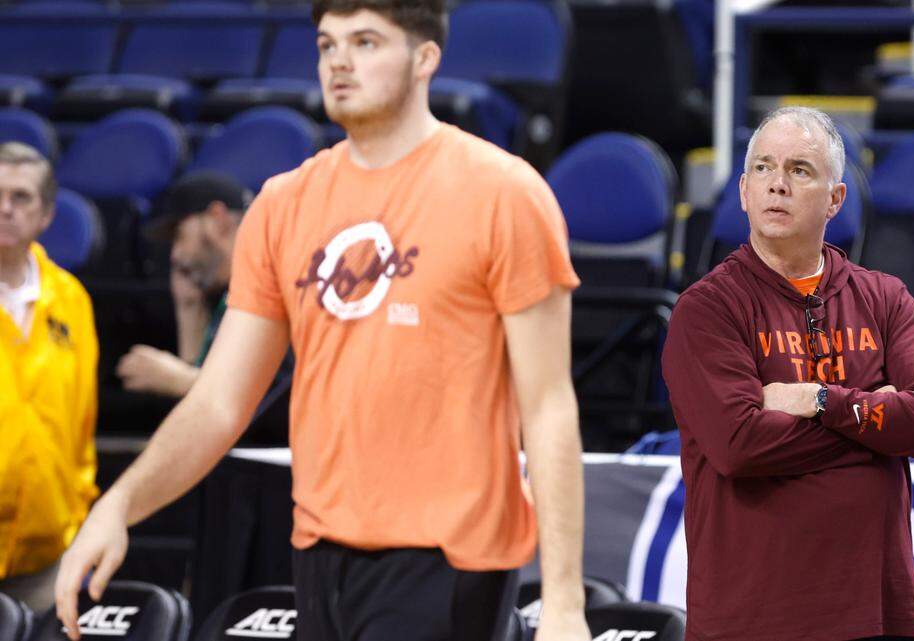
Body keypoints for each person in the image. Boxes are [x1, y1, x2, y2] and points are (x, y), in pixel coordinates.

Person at [55, 2, 591, 641]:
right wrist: (119, 503)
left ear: (425, 59)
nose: (339, 60)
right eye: (327, 43)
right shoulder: (284, 203)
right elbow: (221, 401)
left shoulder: (503, 192)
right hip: (319, 550)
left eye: (365, 42)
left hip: (449, 558)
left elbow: (549, 406)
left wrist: (564, 602)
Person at [661, 106, 914, 641]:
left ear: (835, 199)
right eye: (763, 168)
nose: (778, 184)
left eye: (800, 170)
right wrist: (877, 422)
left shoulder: (884, 298)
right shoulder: (707, 310)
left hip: (877, 615)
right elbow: (739, 443)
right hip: (751, 621)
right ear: (744, 191)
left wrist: (822, 401)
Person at [0, 142, 98, 614]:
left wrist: (77, 513)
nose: (4, 209)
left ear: (46, 215)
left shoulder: (71, 299)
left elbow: (83, 420)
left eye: (20, 197)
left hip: (47, 558)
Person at [116, 172, 252, 399]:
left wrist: (183, 381)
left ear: (217, 219)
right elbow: (202, 416)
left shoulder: (269, 282)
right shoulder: (221, 294)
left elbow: (270, 401)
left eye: (179, 235)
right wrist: (188, 309)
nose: (175, 255)